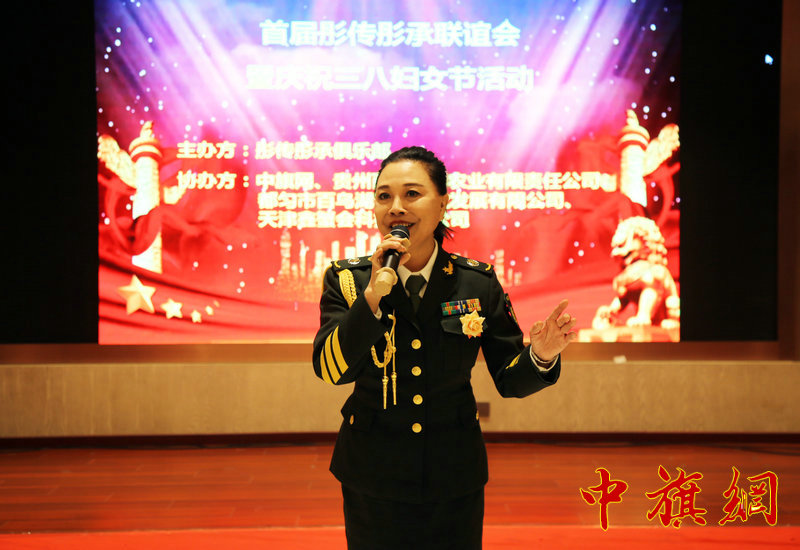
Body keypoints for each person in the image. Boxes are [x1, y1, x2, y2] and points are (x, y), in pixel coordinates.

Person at [312, 146, 577, 550]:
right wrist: (372, 297)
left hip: (453, 473)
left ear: (442, 203)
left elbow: (509, 379)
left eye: (412, 194)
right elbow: (332, 370)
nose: (396, 207)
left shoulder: (476, 283)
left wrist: (541, 354)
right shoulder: (348, 281)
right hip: (372, 471)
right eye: (384, 196)